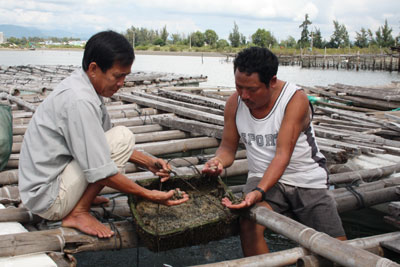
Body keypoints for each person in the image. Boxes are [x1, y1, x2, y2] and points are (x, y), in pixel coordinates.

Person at [18, 31, 188, 238]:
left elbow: (103, 139)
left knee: (117, 140)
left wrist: (149, 162)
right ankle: (78, 212)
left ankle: (79, 198)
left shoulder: (83, 87)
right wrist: (147, 193)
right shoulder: (80, 100)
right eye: (118, 76)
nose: (121, 83)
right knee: (123, 136)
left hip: (43, 189)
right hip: (48, 200)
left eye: (125, 76)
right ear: (93, 69)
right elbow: (103, 167)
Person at [202, 47, 346, 256]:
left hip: (305, 179)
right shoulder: (234, 103)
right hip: (262, 176)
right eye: (239, 87)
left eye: (251, 89)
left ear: (272, 81)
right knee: (249, 224)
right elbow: (227, 148)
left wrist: (258, 192)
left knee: (337, 248)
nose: (244, 95)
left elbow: (282, 155)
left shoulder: (294, 99)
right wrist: (218, 162)